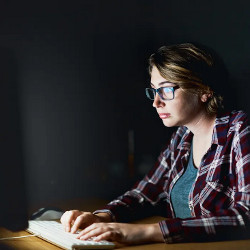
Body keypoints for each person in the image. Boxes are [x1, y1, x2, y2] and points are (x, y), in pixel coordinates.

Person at [60, 43, 250, 245]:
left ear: (203, 90)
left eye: (167, 89)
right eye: (154, 91)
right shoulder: (182, 136)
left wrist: (148, 232)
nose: (156, 102)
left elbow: (246, 214)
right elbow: (147, 192)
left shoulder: (240, 130)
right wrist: (103, 216)